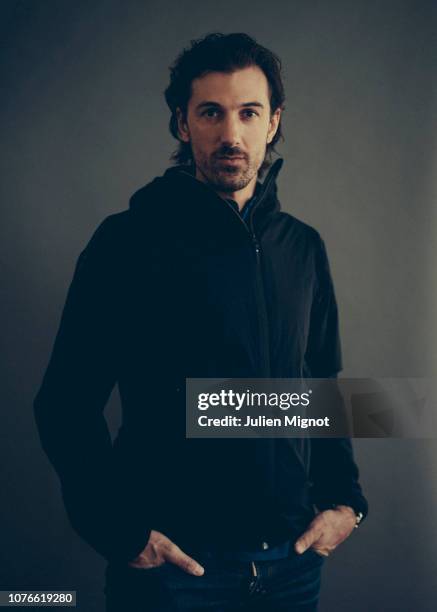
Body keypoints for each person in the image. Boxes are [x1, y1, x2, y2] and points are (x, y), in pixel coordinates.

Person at [34, 32, 368, 611]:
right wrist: (120, 533)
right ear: (183, 124)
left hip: (290, 567)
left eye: (248, 112)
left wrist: (346, 502)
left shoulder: (302, 248)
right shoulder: (128, 242)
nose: (230, 134)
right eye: (211, 112)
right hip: (173, 573)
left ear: (274, 122)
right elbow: (64, 401)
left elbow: (322, 386)